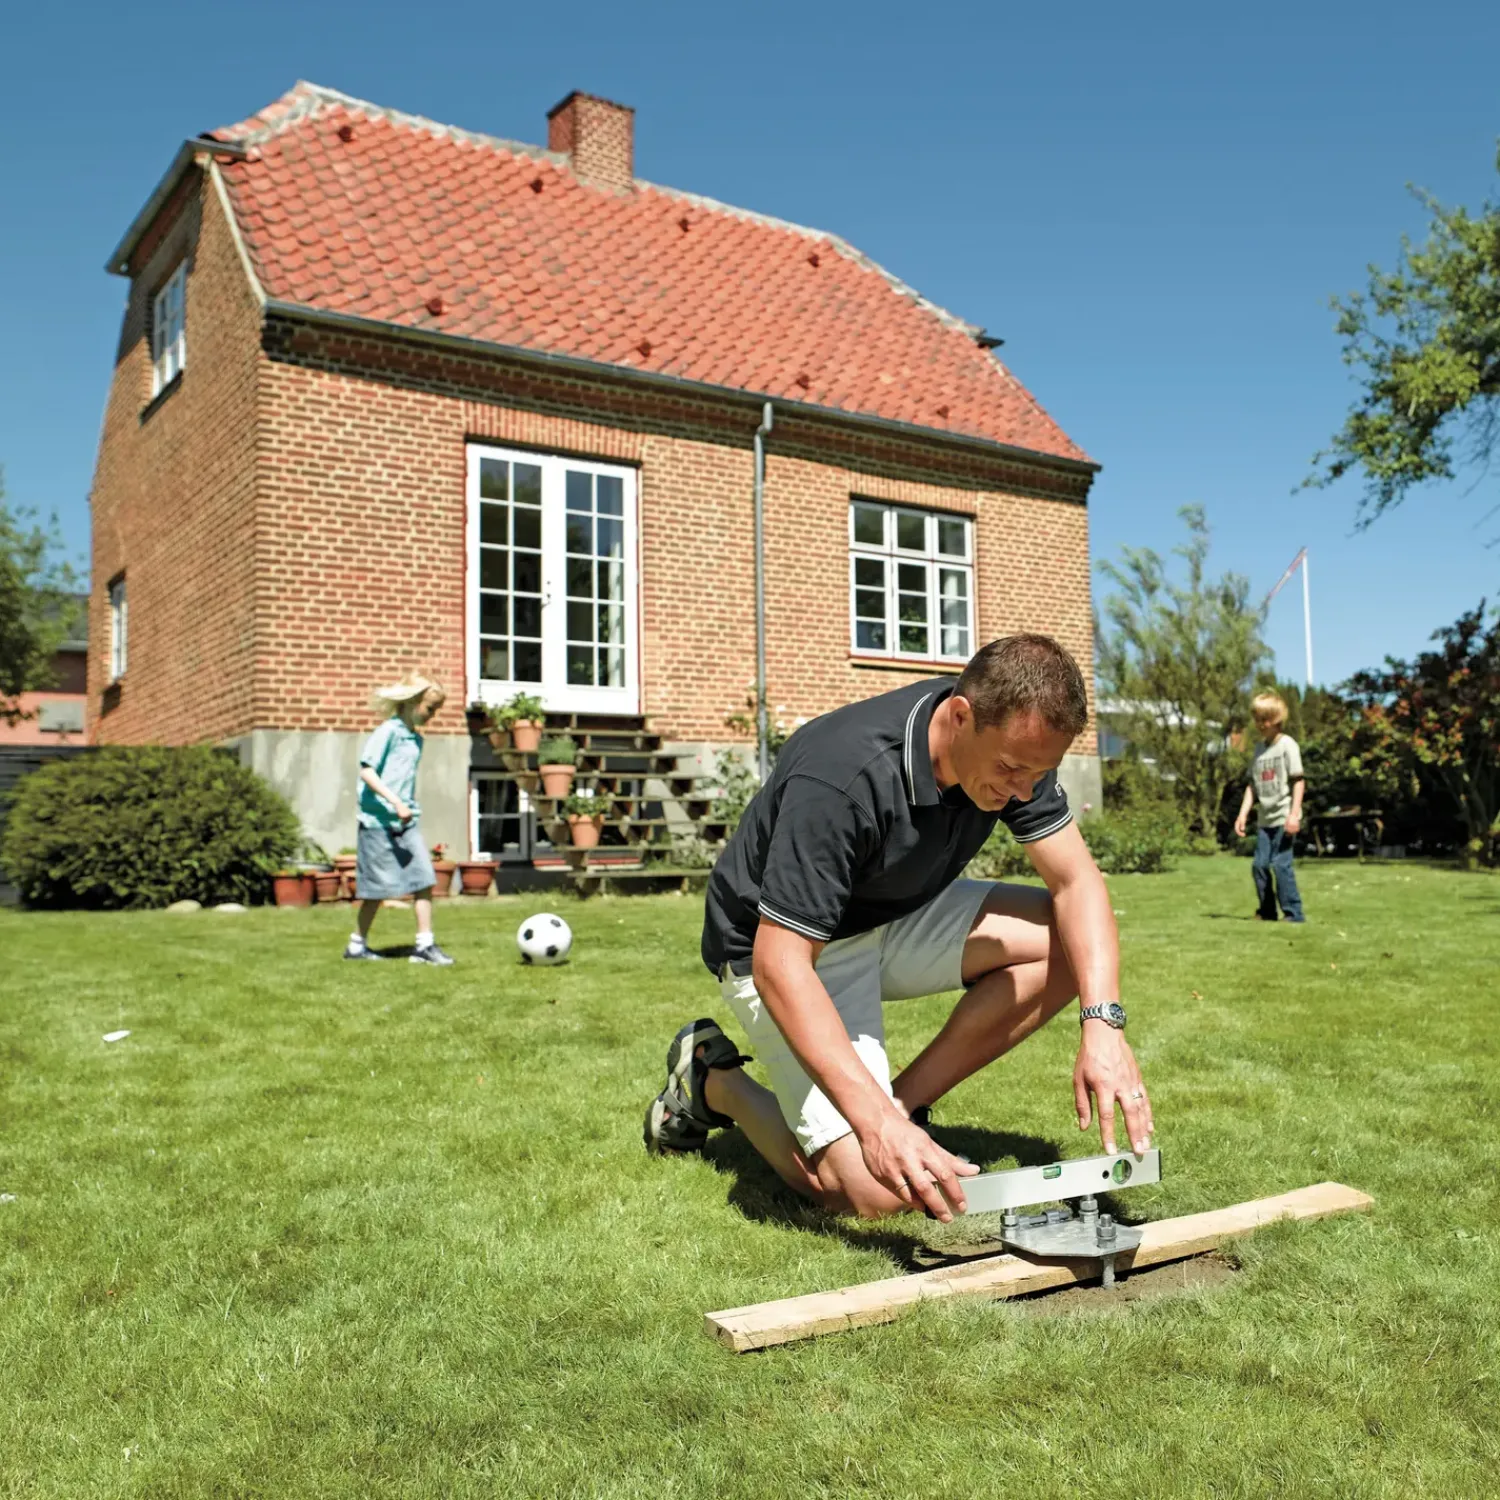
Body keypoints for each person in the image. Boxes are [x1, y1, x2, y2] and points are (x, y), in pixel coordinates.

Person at [643, 634, 1153, 1223]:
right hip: (782, 946)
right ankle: (713, 1079)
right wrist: (872, 1128)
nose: (1022, 791)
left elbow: (1079, 886)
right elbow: (779, 964)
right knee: (870, 1194)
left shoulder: (1013, 753)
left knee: (1070, 945)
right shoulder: (844, 776)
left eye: (1038, 774)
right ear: (961, 716)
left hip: (891, 911)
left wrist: (1104, 1024)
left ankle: (903, 1109)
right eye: (1012, 769)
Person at [343, 672, 456, 965]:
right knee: (375, 891)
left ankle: (424, 946)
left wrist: (405, 807)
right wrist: (394, 802)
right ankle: (357, 946)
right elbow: (367, 771)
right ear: (412, 702)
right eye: (430, 708)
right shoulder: (388, 732)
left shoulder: (415, 739)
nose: (433, 715)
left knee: (424, 879)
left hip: (405, 822)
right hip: (377, 822)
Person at [1233, 691, 1306, 924]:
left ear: (1277, 719)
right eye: (1257, 719)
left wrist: (1294, 815)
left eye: (1266, 719)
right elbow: (1252, 786)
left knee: (1280, 865)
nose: (1261, 724)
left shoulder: (1287, 746)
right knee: (1259, 866)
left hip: (1285, 817)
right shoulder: (1258, 750)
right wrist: (1243, 814)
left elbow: (1298, 781)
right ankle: (1267, 911)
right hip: (1265, 820)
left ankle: (1294, 914)